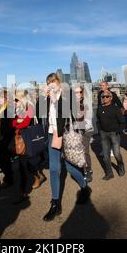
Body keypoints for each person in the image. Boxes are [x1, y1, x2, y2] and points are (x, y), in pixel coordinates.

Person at [43, 73, 91, 222]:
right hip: (52, 135)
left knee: (70, 168)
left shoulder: (66, 96)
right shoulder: (47, 99)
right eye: (48, 82)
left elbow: (77, 112)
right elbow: (38, 111)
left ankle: (84, 186)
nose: (51, 85)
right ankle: (55, 203)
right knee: (54, 169)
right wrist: (44, 97)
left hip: (65, 134)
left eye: (53, 82)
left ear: (59, 83)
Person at [10, 90, 35, 204]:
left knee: (23, 167)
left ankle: (24, 191)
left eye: (16, 100)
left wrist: (18, 122)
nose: (14, 102)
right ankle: (20, 192)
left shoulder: (30, 107)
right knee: (20, 167)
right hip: (19, 139)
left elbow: (25, 123)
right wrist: (19, 122)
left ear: (22, 99)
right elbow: (13, 123)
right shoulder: (19, 109)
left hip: (25, 140)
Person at [97, 89, 126, 180]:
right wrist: (100, 130)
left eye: (106, 96)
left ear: (111, 98)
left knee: (117, 154)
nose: (104, 98)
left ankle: (121, 165)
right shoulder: (99, 108)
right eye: (103, 97)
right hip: (104, 134)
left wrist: (118, 131)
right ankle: (109, 173)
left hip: (114, 134)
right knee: (106, 156)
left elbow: (122, 122)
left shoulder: (116, 109)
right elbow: (98, 121)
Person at [0, 90, 15, 188]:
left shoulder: (9, 109)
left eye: (0, 98)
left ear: (6, 99)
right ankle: (9, 176)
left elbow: (10, 125)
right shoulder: (0, 108)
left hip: (6, 137)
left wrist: (3, 135)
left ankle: (9, 179)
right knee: (0, 158)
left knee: (4, 159)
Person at [73, 85, 94, 183]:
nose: (78, 94)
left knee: (85, 151)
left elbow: (88, 117)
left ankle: (88, 171)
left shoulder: (86, 102)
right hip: (77, 130)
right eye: (76, 92)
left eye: (80, 92)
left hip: (86, 129)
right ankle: (82, 169)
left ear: (83, 92)